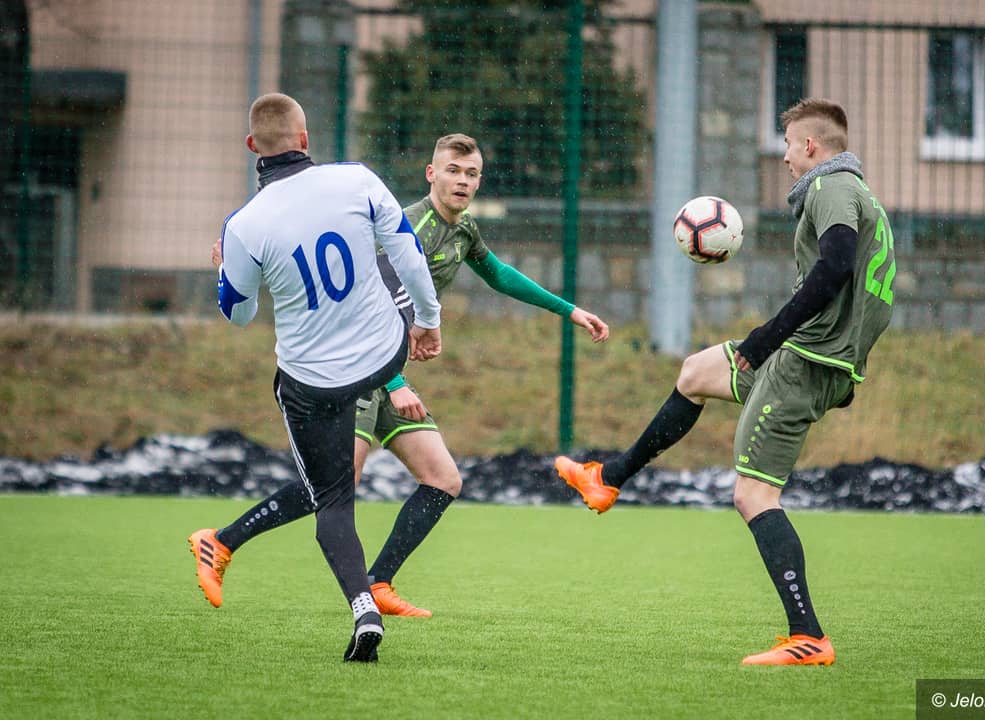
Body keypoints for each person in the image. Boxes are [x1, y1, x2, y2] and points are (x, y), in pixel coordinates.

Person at [555, 99, 895, 666]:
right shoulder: (863, 195)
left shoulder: (830, 186)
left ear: (810, 146)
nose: (785, 157)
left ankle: (808, 636)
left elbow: (834, 267)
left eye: (788, 145)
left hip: (805, 360)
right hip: (816, 357)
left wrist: (766, 339)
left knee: (753, 495)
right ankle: (607, 480)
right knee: (695, 373)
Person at [188, 92, 442, 663]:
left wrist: (225, 271)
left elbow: (239, 315)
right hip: (384, 355)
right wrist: (428, 322)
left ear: (252, 147)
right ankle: (224, 542)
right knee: (382, 255)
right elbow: (406, 252)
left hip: (314, 382)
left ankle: (364, 608)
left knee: (331, 499)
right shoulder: (356, 178)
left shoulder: (243, 226)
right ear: (305, 140)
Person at [352, 133, 609, 617]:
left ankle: (378, 583)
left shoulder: (464, 229)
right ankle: (225, 541)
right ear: (431, 174)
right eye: (453, 171)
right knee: (337, 488)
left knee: (443, 480)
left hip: (389, 372)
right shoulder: (411, 228)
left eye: (471, 174)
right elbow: (370, 308)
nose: (463, 181)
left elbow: (500, 276)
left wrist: (570, 311)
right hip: (362, 368)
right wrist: (394, 382)